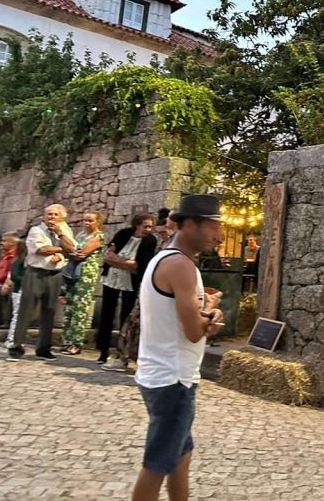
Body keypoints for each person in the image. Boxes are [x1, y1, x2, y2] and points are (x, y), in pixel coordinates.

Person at [132, 194, 224, 501]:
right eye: (212, 226)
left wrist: (206, 308)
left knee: (181, 459)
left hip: (162, 373)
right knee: (157, 466)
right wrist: (209, 318)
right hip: (174, 379)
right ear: (189, 225)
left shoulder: (166, 258)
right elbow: (194, 332)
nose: (218, 235)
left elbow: (181, 319)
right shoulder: (180, 265)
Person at [7, 204, 77, 361]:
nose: (51, 217)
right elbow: (41, 250)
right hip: (36, 273)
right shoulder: (36, 230)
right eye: (49, 214)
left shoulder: (64, 231)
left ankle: (44, 348)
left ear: (62, 217)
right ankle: (16, 347)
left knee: (49, 312)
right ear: (44, 216)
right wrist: (62, 250)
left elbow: (72, 247)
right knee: (27, 311)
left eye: (55, 215)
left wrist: (60, 236)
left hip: (55, 275)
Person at [97, 213, 157, 369]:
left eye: (150, 226)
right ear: (137, 225)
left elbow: (138, 266)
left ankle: (121, 353)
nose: (148, 229)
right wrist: (124, 263)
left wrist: (119, 261)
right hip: (112, 278)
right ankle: (103, 351)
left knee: (126, 317)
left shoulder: (150, 241)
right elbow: (108, 256)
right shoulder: (123, 234)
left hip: (130, 282)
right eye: (145, 226)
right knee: (107, 314)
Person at [60, 211, 106, 356]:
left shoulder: (98, 236)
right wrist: (71, 252)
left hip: (86, 274)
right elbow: (68, 250)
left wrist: (72, 252)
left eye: (90, 221)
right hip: (72, 272)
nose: (87, 223)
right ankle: (66, 340)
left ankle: (76, 343)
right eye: (85, 220)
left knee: (80, 307)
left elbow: (81, 253)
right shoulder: (80, 235)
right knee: (70, 307)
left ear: (97, 222)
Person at [2, 237, 28, 344]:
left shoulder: (26, 261)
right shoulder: (17, 261)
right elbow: (14, 276)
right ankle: (11, 338)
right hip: (18, 290)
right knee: (17, 315)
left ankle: (16, 337)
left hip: (24, 290)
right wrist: (28, 280)